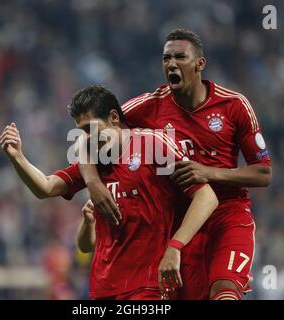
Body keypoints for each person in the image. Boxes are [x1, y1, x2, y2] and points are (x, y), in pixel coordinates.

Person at [79, 29, 272, 300]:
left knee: (224, 292)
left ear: (199, 64)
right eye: (166, 58)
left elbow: (263, 173)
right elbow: (89, 136)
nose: (171, 63)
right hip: (181, 224)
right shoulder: (147, 107)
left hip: (228, 217)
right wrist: (93, 183)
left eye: (180, 57)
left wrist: (208, 172)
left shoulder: (234, 106)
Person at [0, 85, 218, 300]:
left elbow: (206, 197)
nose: (88, 137)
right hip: (103, 287)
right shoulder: (93, 160)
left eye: (91, 128)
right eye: (82, 131)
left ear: (114, 117)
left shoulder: (153, 145)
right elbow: (46, 187)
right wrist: (17, 157)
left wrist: (175, 247)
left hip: (149, 285)